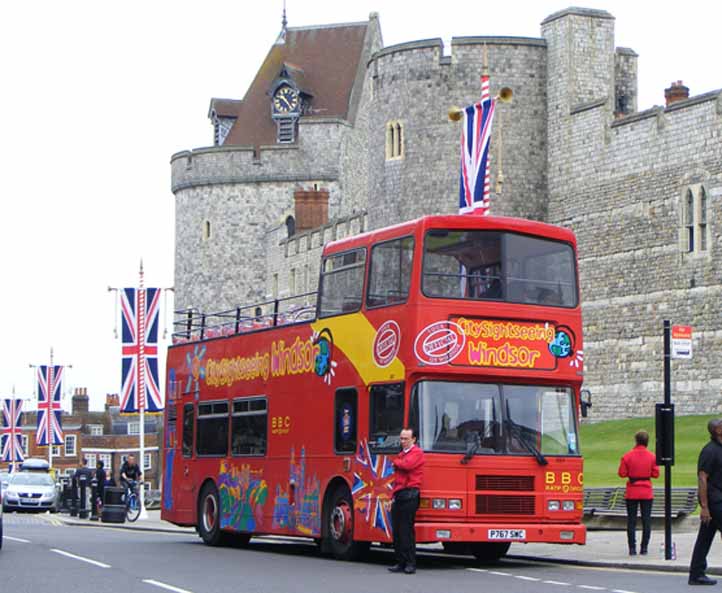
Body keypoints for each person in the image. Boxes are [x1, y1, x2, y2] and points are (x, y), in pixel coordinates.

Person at [688, 419, 722, 586]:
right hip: (715, 501)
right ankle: (696, 573)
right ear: (717, 430)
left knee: (705, 538)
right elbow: (702, 478)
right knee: (705, 537)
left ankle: (696, 573)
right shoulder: (709, 451)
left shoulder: (719, 449)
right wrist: (705, 507)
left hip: (717, 500)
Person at [388, 427, 425, 575]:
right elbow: (397, 479)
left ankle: (410, 563)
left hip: (410, 494)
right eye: (401, 438)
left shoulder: (417, 453)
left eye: (405, 439)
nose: (402, 441)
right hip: (400, 494)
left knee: (406, 530)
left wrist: (396, 462)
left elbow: (407, 465)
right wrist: (392, 497)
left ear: (413, 440)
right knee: (397, 530)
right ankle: (400, 562)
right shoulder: (402, 454)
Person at [617, 430, 659, 555]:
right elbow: (656, 474)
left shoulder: (627, 456)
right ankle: (644, 547)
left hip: (632, 491)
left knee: (631, 521)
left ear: (636, 440)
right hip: (646, 491)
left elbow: (622, 473)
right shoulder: (652, 456)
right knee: (646, 520)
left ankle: (632, 548)